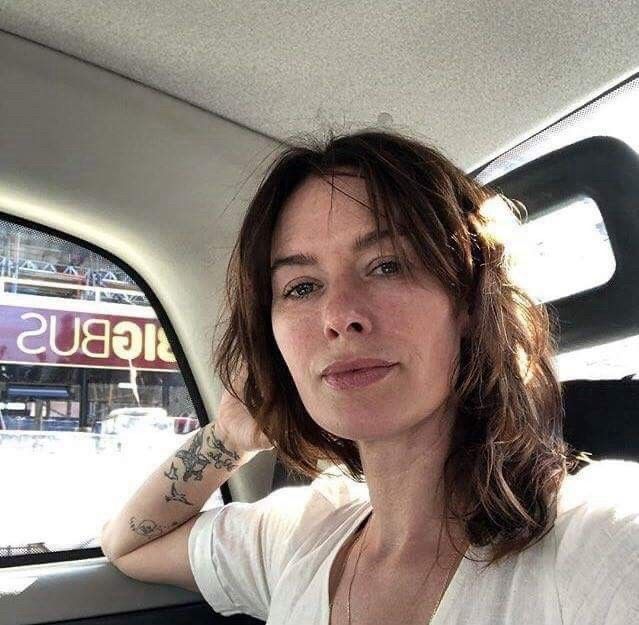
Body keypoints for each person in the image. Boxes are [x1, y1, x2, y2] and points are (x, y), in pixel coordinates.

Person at [100, 129, 639, 624]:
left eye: (387, 266)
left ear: (471, 302)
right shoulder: (302, 536)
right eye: (301, 287)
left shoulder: (603, 547)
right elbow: (130, 544)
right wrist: (228, 438)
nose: (339, 316)